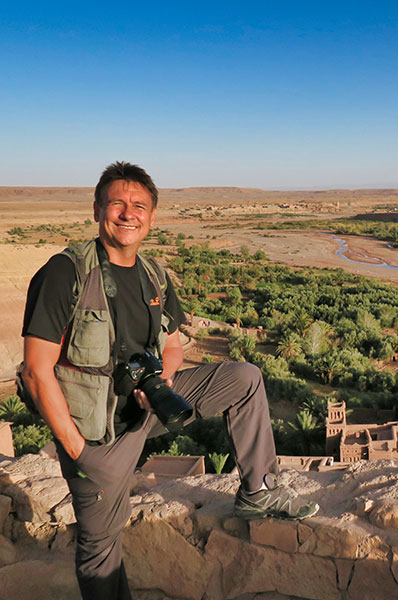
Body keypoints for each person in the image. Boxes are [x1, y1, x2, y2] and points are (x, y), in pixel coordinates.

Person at [19, 161, 319, 600]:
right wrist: (78, 451)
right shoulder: (66, 272)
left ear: (152, 216)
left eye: (139, 205)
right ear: (97, 209)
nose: (128, 214)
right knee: (101, 551)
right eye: (117, 203)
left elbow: (174, 344)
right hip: (97, 434)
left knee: (245, 377)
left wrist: (162, 383)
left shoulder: (154, 274)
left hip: (148, 408)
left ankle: (259, 491)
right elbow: (35, 369)